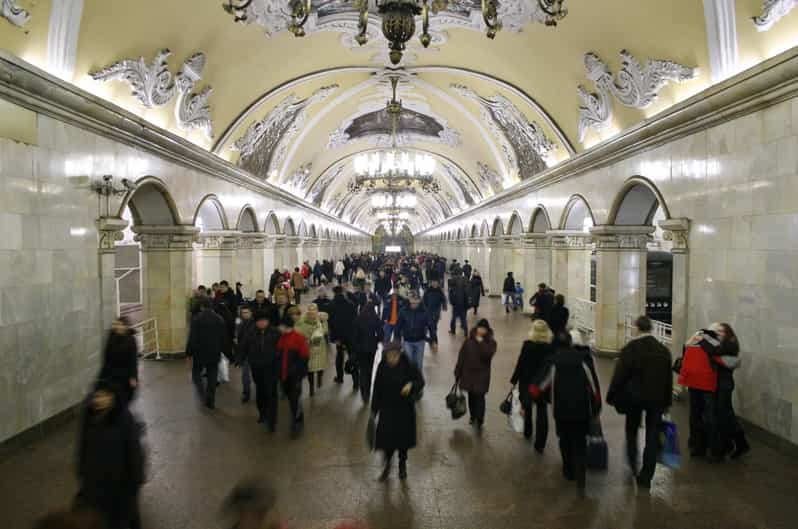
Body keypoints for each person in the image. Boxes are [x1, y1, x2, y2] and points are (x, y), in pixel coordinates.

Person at [529, 331, 602, 494]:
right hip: (582, 410)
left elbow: (538, 387)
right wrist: (596, 408)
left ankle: (568, 471)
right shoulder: (583, 360)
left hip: (561, 410)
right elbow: (594, 388)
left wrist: (534, 399)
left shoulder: (553, 362)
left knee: (565, 439)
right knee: (580, 441)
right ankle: (581, 475)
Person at [606, 315, 672, 488]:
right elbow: (668, 379)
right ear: (650, 328)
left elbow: (620, 374)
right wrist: (667, 401)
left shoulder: (630, 349)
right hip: (656, 399)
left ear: (637, 328)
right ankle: (646, 475)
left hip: (634, 398)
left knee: (631, 431)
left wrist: (611, 395)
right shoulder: (663, 350)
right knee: (652, 434)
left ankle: (632, 464)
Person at [75, 380, 145, 529]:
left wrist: (136, 479)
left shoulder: (124, 419)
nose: (100, 400)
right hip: (96, 485)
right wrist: (82, 472)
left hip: (120, 485)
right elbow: (83, 446)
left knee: (121, 520)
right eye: (97, 396)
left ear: (112, 396)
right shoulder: (89, 418)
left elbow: (134, 451)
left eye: (104, 396)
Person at [371, 341, 425, 481]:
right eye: (389, 356)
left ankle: (402, 465)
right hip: (387, 409)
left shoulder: (408, 365)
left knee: (403, 442)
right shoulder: (383, 366)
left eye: (394, 356)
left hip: (404, 410)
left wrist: (411, 385)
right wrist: (374, 409)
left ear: (400, 354)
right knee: (386, 441)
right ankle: (387, 465)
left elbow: (420, 381)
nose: (392, 359)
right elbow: (377, 388)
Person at [511, 319, 554, 451]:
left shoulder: (527, 345)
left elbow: (521, 363)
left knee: (527, 408)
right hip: (542, 384)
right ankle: (540, 443)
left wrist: (514, 379)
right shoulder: (550, 347)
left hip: (527, 382)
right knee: (542, 412)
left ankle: (528, 432)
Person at [679, 328, 721, 459]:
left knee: (696, 416)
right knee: (708, 417)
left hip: (692, 383)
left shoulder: (691, 344)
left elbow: (684, 350)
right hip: (706, 385)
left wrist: (697, 337)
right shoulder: (712, 345)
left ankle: (698, 448)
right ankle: (714, 451)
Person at [710, 322, 750, 459]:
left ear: (728, 333)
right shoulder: (720, 345)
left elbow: (718, 357)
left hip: (724, 384)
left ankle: (740, 443)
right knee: (723, 413)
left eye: (722, 331)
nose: (719, 333)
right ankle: (728, 443)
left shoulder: (729, 345)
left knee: (725, 414)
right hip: (719, 383)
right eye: (717, 331)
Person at [238, 311, 279, 429]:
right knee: (261, 392)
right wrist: (240, 358)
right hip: (257, 368)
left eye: (264, 320)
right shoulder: (251, 333)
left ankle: (272, 419)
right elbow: (243, 347)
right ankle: (262, 413)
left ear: (268, 321)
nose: (262, 323)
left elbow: (282, 349)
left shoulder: (275, 332)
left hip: (272, 368)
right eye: (259, 321)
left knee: (272, 393)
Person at [454, 319, 497, 431]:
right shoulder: (468, 341)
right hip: (468, 374)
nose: (481, 330)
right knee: (471, 397)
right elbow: (461, 357)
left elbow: (487, 354)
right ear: (477, 328)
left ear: (487, 330)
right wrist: (457, 372)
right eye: (480, 328)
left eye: (484, 329)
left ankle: (480, 420)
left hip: (482, 375)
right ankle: (473, 416)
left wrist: (480, 342)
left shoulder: (491, 342)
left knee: (480, 397)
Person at [186, 298, 226, 409]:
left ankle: (201, 392)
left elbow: (192, 338)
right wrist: (221, 350)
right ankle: (211, 400)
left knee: (196, 373)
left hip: (199, 353)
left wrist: (189, 353)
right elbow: (223, 337)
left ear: (201, 307)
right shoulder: (219, 319)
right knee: (212, 375)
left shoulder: (196, 319)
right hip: (214, 352)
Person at [276, 316, 310, 437]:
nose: (279, 328)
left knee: (294, 399)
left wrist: (299, 374)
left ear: (286, 326)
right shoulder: (281, 338)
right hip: (284, 376)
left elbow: (304, 358)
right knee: (291, 399)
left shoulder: (299, 339)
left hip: (294, 376)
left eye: (280, 326)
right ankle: (298, 416)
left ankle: (295, 424)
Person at [98, 317, 139, 406]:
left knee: (121, 401)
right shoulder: (111, 337)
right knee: (110, 400)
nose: (117, 327)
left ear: (126, 327)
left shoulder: (131, 340)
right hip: (111, 374)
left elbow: (133, 360)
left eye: (120, 325)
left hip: (124, 376)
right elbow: (106, 358)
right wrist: (102, 375)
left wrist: (133, 376)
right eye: (116, 325)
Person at [352, 301, 383, 404]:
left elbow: (354, 336)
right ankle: (367, 393)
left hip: (360, 349)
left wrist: (355, 347)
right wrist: (376, 340)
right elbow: (381, 334)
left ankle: (363, 391)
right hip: (371, 349)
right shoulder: (376, 319)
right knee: (369, 370)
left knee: (362, 369)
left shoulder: (358, 319)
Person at [295, 303, 329, 396]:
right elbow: (297, 329)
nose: (312, 313)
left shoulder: (322, 320)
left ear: (317, 311)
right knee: (310, 369)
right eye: (310, 311)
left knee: (320, 366)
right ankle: (311, 388)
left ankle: (320, 377)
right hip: (308, 347)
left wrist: (319, 332)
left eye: (314, 311)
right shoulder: (303, 320)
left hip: (320, 347)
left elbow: (326, 330)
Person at [395, 293, 433, 372]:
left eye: (416, 300)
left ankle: (417, 382)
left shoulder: (424, 311)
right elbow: (398, 327)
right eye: (413, 299)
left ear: (419, 300)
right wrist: (397, 341)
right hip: (407, 341)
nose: (414, 302)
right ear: (409, 300)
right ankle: (409, 381)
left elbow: (431, 326)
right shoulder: (403, 311)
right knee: (408, 363)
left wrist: (434, 339)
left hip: (420, 341)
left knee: (418, 364)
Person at [328, 285, 358, 386]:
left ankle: (340, 378)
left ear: (334, 293)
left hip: (339, 337)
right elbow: (355, 321)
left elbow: (331, 323)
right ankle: (355, 382)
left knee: (339, 357)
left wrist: (334, 338)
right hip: (350, 336)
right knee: (352, 357)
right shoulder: (351, 304)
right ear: (343, 293)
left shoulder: (331, 305)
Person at [236, 306, 255, 403]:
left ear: (251, 313)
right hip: (245, 354)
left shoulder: (255, 324)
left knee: (257, 375)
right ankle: (246, 393)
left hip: (255, 353)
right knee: (245, 375)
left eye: (246, 312)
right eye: (243, 312)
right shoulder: (240, 324)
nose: (245, 314)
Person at [422, 278, 447, 353]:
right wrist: (424, 308)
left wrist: (444, 306)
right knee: (431, 326)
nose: (434, 284)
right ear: (431, 283)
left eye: (436, 282)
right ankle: (434, 341)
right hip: (428, 311)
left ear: (438, 283)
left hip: (436, 312)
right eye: (433, 282)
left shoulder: (440, 291)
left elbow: (444, 299)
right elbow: (424, 300)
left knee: (433, 327)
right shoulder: (428, 291)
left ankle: (433, 341)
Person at [448, 271, 469, 336]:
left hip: (456, 304)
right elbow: (466, 294)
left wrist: (452, 303)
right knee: (463, 318)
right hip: (463, 304)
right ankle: (466, 331)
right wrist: (466, 303)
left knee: (453, 318)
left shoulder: (453, 283)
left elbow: (450, 296)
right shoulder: (464, 282)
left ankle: (453, 330)